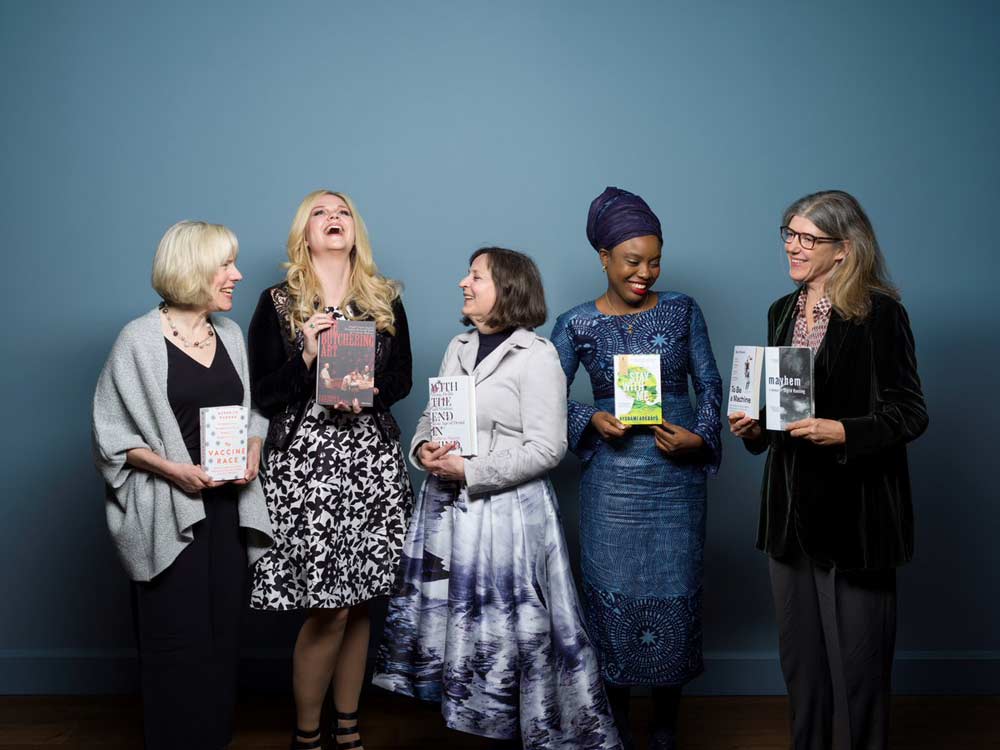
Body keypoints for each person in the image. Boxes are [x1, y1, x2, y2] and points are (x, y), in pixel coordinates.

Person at [374, 248, 622, 750]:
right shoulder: (458, 345)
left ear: (507, 288)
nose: (463, 283)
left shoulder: (538, 355)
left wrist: (472, 469)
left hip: (509, 516)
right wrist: (423, 448)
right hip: (448, 512)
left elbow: (548, 448)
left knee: (508, 630)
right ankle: (466, 721)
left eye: (476, 276)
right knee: (459, 624)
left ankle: (515, 728)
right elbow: (432, 416)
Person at [729, 190, 928, 750]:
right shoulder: (780, 311)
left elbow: (910, 412)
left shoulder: (880, 312)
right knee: (802, 667)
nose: (793, 247)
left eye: (807, 238)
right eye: (788, 234)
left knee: (859, 672)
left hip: (857, 517)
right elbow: (779, 413)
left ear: (843, 249)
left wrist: (844, 431)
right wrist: (754, 430)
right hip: (787, 518)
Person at [551, 187, 722, 750]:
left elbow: (711, 383)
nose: (645, 272)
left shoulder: (681, 309)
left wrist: (701, 435)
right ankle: (617, 727)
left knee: (676, 593)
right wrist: (589, 417)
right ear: (603, 257)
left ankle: (666, 727)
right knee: (611, 600)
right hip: (612, 486)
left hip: (676, 482)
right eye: (632, 261)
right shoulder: (575, 323)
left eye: (654, 261)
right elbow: (541, 395)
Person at [92, 220, 273, 750]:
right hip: (169, 512)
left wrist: (253, 450)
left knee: (221, 639)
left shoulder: (232, 335)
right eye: (225, 264)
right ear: (193, 269)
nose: (237, 275)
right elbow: (109, 435)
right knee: (176, 641)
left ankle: (212, 739)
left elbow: (253, 412)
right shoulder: (138, 340)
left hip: (227, 511)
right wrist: (173, 470)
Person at [248, 190, 413, 750]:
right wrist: (309, 358)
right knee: (329, 605)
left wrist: (366, 395)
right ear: (304, 233)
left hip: (370, 461)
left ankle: (347, 723)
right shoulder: (277, 303)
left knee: (361, 598)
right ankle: (307, 732)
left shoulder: (384, 298)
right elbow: (264, 394)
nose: (333, 218)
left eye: (342, 211)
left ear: (355, 230)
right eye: (320, 212)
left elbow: (403, 382)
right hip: (305, 465)